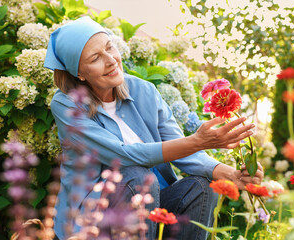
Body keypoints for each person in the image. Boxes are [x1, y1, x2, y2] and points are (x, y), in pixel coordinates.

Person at [44, 16, 263, 240]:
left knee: (201, 187)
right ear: (79, 74)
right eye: (95, 58)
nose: (111, 60)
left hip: (150, 210)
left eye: (110, 47)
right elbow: (123, 156)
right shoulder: (66, 105)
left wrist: (229, 174)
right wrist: (198, 140)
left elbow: (182, 149)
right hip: (93, 221)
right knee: (136, 175)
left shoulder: (144, 91)